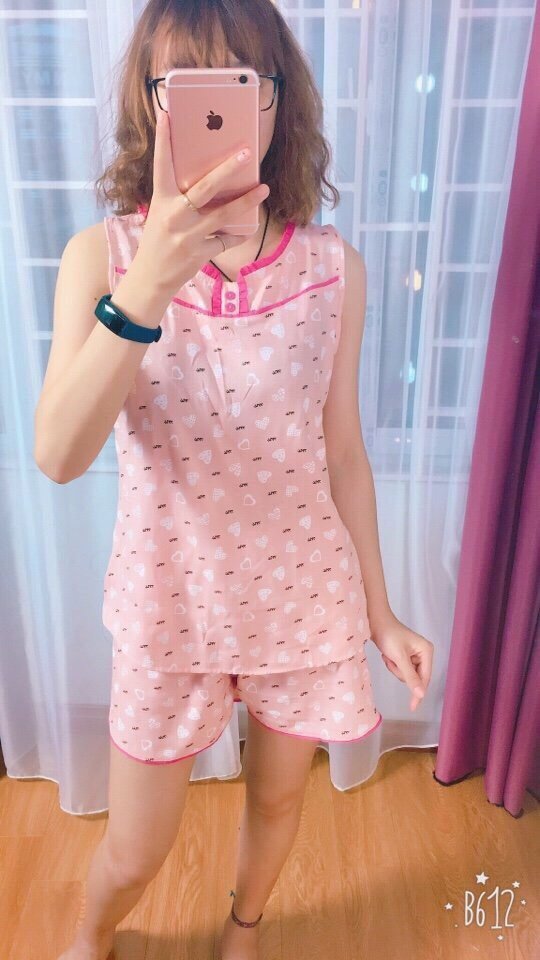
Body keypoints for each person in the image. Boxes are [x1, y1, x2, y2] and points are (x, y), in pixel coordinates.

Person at [34, 2, 434, 958]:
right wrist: (146, 285)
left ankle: (244, 927)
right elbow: (59, 454)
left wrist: (380, 612)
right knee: (137, 847)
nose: (216, 110)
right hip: (170, 594)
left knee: (281, 797)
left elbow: (342, 451)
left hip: (302, 589)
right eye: (186, 84)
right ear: (152, 102)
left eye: (240, 83)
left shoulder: (334, 269)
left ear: (276, 102)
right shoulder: (101, 258)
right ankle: (91, 932)